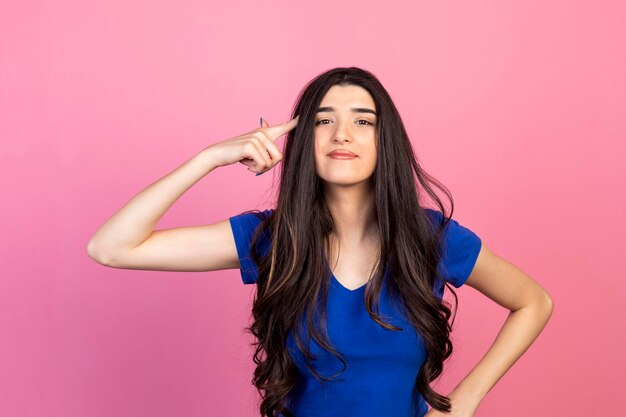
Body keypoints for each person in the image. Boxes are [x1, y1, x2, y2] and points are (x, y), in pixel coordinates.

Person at [87, 67, 553, 417]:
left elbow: (534, 301)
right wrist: (211, 157)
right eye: (322, 121)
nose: (342, 134)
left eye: (363, 122)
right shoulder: (270, 238)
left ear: (383, 140)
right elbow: (111, 247)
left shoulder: (431, 237)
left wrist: (463, 402)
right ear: (302, 140)